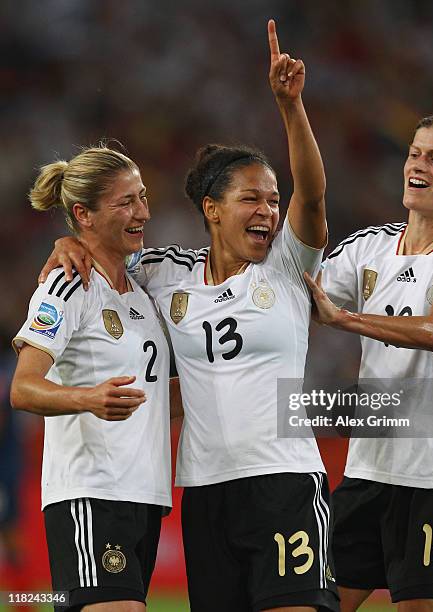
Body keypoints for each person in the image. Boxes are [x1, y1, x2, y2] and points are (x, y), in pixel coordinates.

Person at [38, 20, 339, 612]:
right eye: (251, 198)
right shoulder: (166, 272)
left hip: (284, 479)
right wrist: (65, 243)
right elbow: (105, 245)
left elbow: (314, 195)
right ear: (211, 208)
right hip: (203, 489)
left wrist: (291, 106)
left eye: (273, 200)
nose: (268, 212)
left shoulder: (283, 267)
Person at [304, 111, 433, 610]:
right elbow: (293, 294)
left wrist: (346, 319)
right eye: (415, 153)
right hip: (369, 470)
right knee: (315, 603)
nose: (418, 164)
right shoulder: (369, 247)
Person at [10, 146, 175, 611]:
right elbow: (22, 388)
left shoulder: (142, 295)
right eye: (125, 202)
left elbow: (156, 395)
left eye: (142, 197)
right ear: (83, 214)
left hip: (143, 494)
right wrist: (87, 398)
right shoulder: (68, 285)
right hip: (91, 492)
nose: (142, 211)